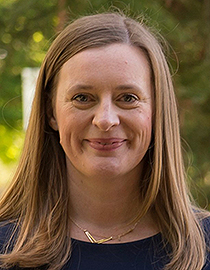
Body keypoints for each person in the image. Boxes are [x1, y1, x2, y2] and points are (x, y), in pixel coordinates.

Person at [0, 12, 209, 270]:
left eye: (128, 98)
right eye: (83, 98)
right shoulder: (5, 248)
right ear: (50, 112)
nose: (105, 120)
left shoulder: (204, 248)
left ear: (158, 110)